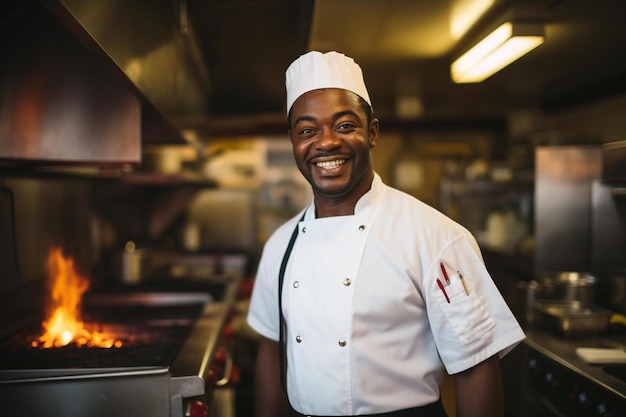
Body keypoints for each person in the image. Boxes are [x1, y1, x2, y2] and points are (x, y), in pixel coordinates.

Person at [247, 51, 525, 417]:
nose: (326, 142)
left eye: (345, 125)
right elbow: (271, 349)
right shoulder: (280, 245)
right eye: (307, 130)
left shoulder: (436, 238)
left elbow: (476, 368)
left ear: (372, 132)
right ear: (293, 141)